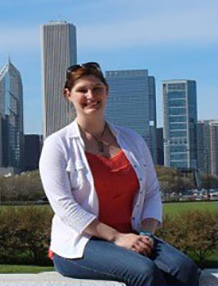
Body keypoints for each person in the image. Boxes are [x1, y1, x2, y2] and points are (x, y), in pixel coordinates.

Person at [39, 62, 200, 286]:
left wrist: (146, 234)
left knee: (185, 269)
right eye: (82, 90)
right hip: (81, 244)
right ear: (68, 95)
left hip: (133, 235)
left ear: (107, 91)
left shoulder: (132, 140)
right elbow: (65, 207)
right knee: (144, 271)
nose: (90, 95)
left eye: (97, 89)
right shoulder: (57, 145)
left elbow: (152, 192)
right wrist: (116, 237)